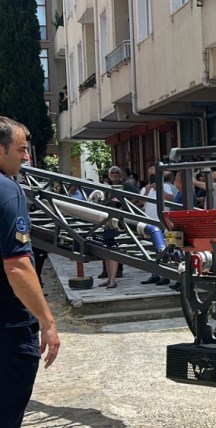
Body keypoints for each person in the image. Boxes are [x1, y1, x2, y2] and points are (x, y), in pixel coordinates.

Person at [0, 117, 60, 428]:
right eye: (21, 149)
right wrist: (47, 321)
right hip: (8, 328)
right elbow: (18, 266)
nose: (27, 157)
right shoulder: (7, 190)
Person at [140, 166, 175, 286]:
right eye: (150, 175)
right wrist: (147, 190)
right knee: (153, 250)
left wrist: (159, 190)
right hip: (149, 222)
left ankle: (166, 275)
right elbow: (141, 202)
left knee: (164, 248)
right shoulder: (146, 188)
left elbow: (171, 199)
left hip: (162, 222)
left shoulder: (166, 186)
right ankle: (154, 274)